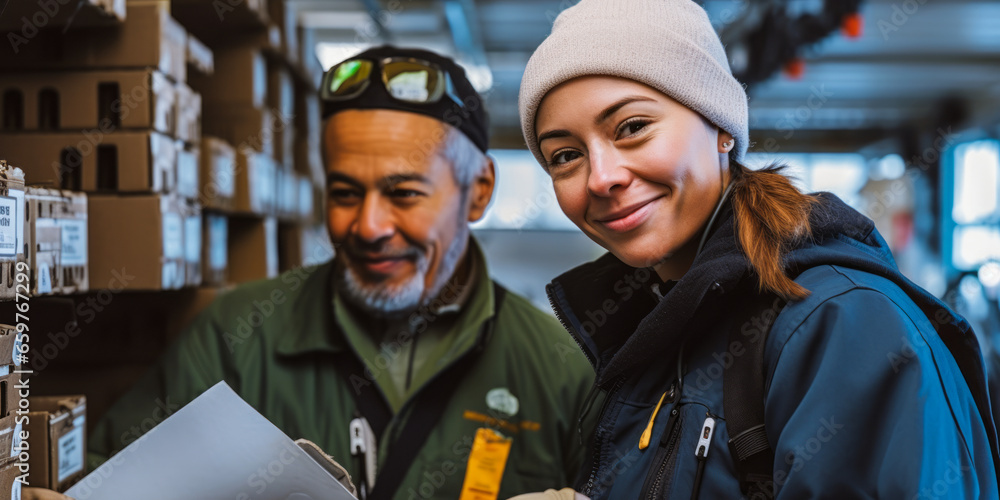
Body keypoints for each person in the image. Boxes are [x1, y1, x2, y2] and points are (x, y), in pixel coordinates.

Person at [24, 46, 595, 500]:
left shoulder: (560, 368)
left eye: (403, 193)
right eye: (345, 192)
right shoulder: (237, 337)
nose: (368, 226)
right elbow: (111, 479)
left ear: (479, 191)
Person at [512, 0, 1000, 498]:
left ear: (721, 126)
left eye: (633, 127)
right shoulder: (662, 330)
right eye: (565, 156)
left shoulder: (840, 322)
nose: (601, 178)